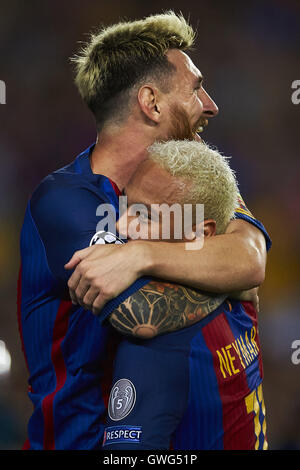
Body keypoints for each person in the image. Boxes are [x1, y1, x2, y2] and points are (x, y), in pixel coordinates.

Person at [18, 12, 270, 450]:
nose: (210, 104)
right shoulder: (67, 201)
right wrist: (224, 276)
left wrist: (142, 256)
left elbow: (251, 258)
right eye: (195, 88)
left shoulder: (189, 177)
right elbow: (144, 317)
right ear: (151, 102)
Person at [100, 139, 268, 450]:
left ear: (200, 234)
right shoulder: (242, 291)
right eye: (125, 206)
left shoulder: (156, 345)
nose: (121, 226)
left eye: (145, 216)